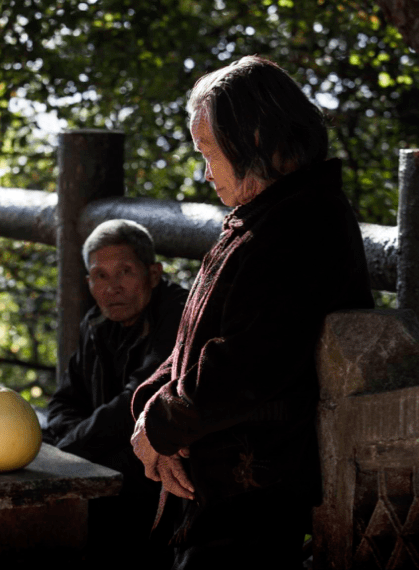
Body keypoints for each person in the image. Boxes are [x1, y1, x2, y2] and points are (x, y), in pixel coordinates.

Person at [130, 55, 375, 569]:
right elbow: (190, 344)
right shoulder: (261, 215)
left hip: (259, 491)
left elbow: (247, 365)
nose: (204, 172)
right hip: (222, 483)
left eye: (209, 153)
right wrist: (150, 404)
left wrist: (160, 425)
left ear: (257, 138)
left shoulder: (304, 227)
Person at [44, 219, 188, 568]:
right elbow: (65, 400)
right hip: (103, 453)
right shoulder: (97, 323)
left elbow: (137, 401)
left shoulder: (176, 314)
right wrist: (70, 441)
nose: (112, 288)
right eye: (100, 276)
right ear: (88, 282)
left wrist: (67, 451)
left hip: (163, 467)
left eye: (124, 271)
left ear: (153, 273)